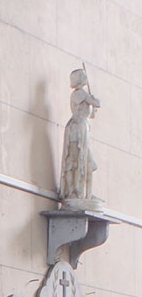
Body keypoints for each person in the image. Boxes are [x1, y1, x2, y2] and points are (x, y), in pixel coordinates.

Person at [59, 65, 99, 208]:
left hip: (81, 126)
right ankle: (75, 191)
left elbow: (91, 113)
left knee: (88, 162)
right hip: (78, 127)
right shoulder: (80, 93)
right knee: (76, 159)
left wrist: (93, 108)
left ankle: (85, 193)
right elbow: (97, 103)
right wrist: (93, 100)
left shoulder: (82, 95)